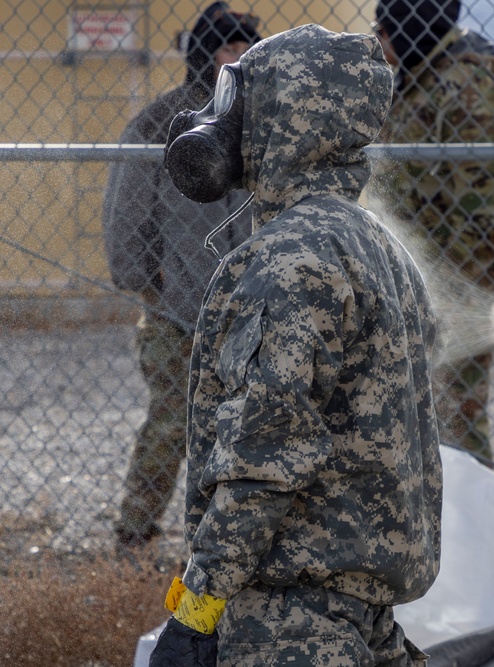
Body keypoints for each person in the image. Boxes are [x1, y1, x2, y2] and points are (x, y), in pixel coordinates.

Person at [148, 24, 442, 667]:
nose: (215, 119)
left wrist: (196, 613)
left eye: (236, 101)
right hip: (359, 609)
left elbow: (264, 460)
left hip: (291, 622)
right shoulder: (372, 242)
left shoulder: (290, 260)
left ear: (284, 117)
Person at [102, 0, 259, 551]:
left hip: (252, 311)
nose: (237, 58)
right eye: (227, 46)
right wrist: (147, 283)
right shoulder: (161, 121)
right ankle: (134, 535)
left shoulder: (261, 122)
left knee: (241, 430)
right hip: (177, 310)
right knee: (171, 423)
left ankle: (218, 544)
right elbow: (127, 213)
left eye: (246, 47)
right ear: (202, 53)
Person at [368, 0, 494, 461]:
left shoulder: (466, 81)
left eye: (384, 28)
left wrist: (458, 283)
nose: (377, 38)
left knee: (457, 407)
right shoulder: (421, 76)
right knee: (419, 403)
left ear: (411, 30)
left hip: (452, 273)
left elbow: (486, 198)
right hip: (418, 268)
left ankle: (471, 519)